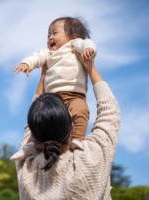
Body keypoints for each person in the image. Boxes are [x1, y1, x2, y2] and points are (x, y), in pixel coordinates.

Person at [15, 50, 121, 199]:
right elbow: (110, 111)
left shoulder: (26, 167)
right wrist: (90, 67)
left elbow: (32, 124)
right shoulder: (92, 156)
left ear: (34, 133)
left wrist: (44, 76)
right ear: (72, 126)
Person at [11, 17, 97, 161]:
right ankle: (30, 145)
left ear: (72, 37)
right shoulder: (48, 53)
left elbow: (88, 43)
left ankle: (77, 139)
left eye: (54, 33)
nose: (50, 37)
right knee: (42, 118)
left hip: (75, 95)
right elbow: (36, 57)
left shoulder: (75, 46)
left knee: (81, 111)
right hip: (53, 99)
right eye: (48, 35)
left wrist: (89, 49)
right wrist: (26, 64)